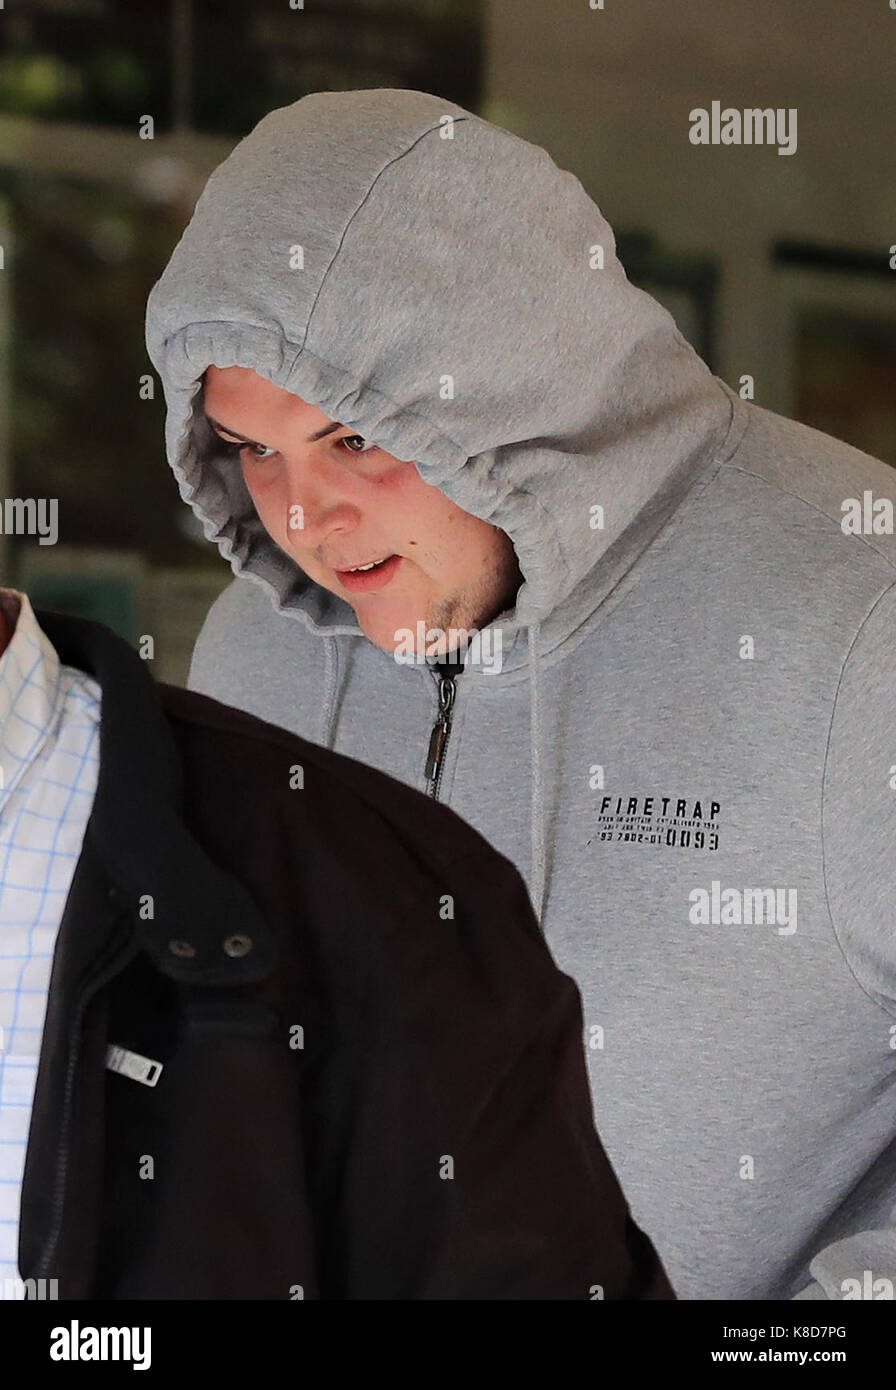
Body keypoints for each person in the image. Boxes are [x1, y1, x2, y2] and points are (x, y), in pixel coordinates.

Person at [144, 88, 896, 1301]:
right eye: (251, 448)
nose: (303, 518)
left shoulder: (862, 621)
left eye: (352, 438)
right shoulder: (256, 656)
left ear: (515, 395)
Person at [0, 587, 674, 1300]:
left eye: (361, 462)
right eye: (262, 462)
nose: (317, 514)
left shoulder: (396, 896)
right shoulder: (250, 637)